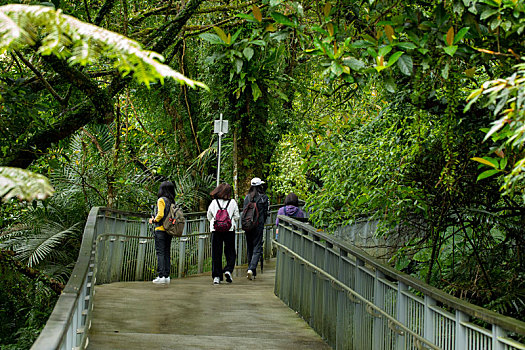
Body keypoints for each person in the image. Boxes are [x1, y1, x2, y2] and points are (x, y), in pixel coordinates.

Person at [207, 183, 240, 285]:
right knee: (230, 251)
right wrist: (230, 220)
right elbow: (237, 216)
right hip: (229, 229)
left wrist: (215, 222)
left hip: (216, 230)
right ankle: (228, 270)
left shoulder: (213, 202)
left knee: (216, 253)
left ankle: (216, 276)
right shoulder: (233, 202)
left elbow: (209, 215)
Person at [148, 181, 175, 284]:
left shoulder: (161, 200)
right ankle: (167, 276)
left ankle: (161, 275)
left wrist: (154, 220)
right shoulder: (172, 201)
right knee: (167, 252)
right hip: (169, 230)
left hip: (160, 229)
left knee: (160, 252)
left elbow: (160, 214)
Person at [242, 177, 269, 280]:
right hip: (258, 225)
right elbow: (266, 213)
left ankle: (251, 270)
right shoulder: (264, 198)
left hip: (248, 226)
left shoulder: (247, 197)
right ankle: (251, 268)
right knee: (257, 247)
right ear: (260, 186)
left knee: (249, 247)